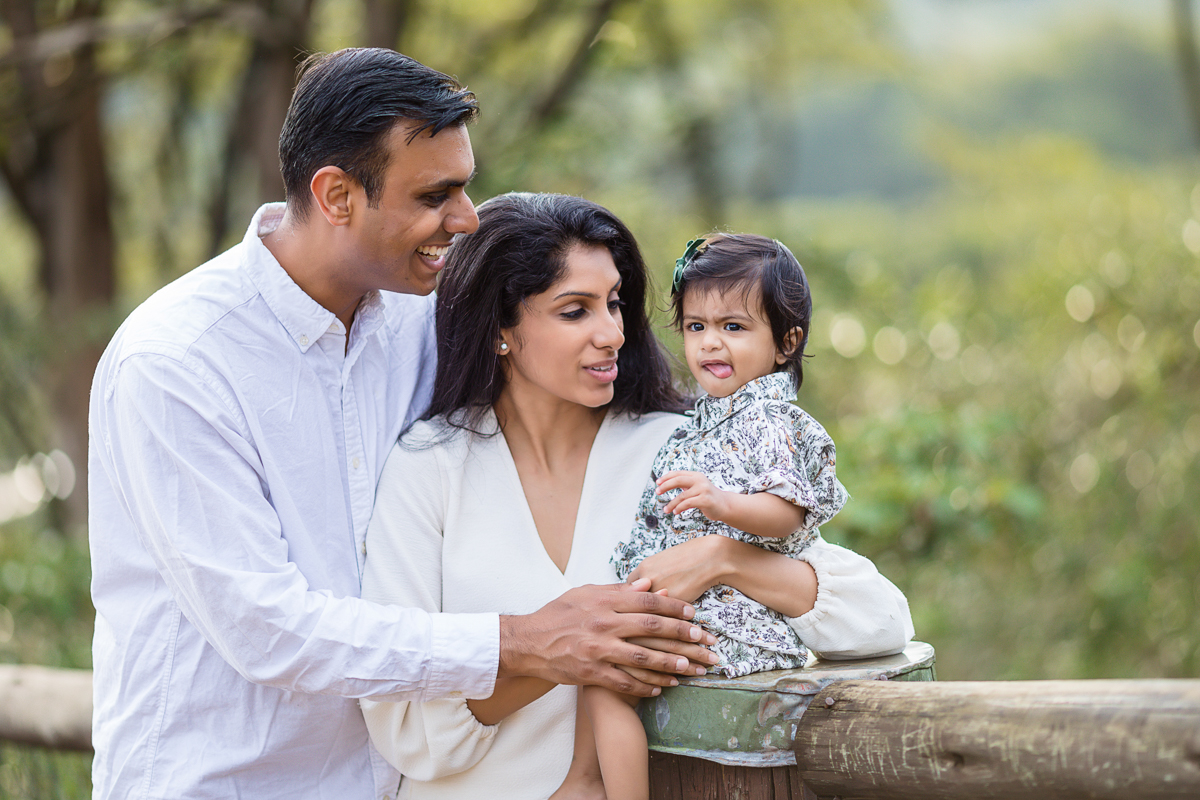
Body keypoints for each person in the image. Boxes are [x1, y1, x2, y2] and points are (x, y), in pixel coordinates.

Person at [87, 50, 710, 800]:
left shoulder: (424, 324)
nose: (466, 218)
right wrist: (525, 640)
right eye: (435, 194)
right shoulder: (177, 364)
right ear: (337, 195)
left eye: (466, 186)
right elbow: (266, 629)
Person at [360, 194, 914, 799]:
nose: (613, 333)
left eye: (615, 303)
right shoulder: (430, 466)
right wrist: (550, 651)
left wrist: (726, 559)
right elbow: (409, 732)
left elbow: (877, 620)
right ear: (501, 329)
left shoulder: (681, 450)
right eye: (575, 311)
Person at [570, 233, 850, 800]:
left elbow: (786, 514)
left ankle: (596, 787)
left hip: (730, 615)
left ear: (786, 342)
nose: (711, 345)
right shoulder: (709, 417)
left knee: (604, 682)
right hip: (700, 601)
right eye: (697, 327)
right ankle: (586, 782)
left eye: (734, 327)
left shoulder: (770, 419)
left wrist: (722, 503)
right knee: (597, 670)